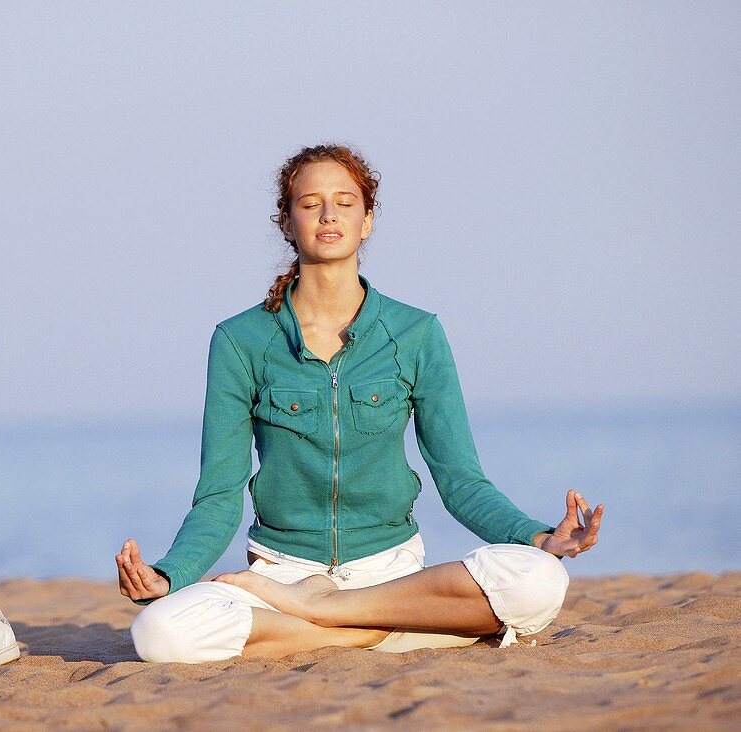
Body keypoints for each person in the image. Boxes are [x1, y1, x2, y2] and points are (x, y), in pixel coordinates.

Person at [116, 144, 603, 663]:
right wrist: (170, 574)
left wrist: (539, 537)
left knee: (540, 579)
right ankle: (376, 631)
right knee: (158, 632)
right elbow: (218, 495)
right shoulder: (241, 340)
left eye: (345, 202)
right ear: (287, 220)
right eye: (310, 203)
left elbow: (461, 480)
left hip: (390, 575)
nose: (329, 215)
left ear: (367, 220)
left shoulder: (416, 333)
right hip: (282, 573)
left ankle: (327, 614)